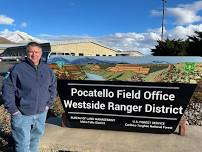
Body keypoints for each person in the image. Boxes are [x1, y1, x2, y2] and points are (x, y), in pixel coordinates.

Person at [2, 42, 57, 152]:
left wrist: (48, 104)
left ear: (41, 53)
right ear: (26, 53)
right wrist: (13, 110)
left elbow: (53, 87)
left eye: (37, 52)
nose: (34, 54)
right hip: (22, 114)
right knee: (23, 144)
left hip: (41, 113)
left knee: (35, 139)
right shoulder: (18, 69)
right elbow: (7, 90)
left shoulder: (47, 70)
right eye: (31, 52)